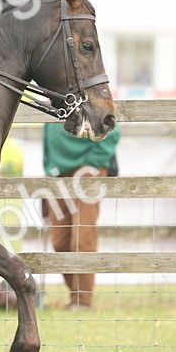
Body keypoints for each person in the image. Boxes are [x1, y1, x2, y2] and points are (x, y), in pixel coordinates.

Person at [42, 121, 120, 309]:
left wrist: (94, 162)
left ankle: (82, 301)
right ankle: (76, 295)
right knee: (59, 241)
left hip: (87, 168)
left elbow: (111, 124)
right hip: (58, 172)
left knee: (82, 236)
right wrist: (50, 168)